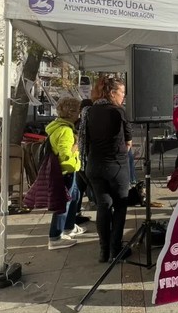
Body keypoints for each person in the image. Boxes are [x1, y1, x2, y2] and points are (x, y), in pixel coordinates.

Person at [79, 77, 133, 262]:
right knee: (119, 207)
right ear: (112, 93)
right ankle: (116, 249)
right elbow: (128, 143)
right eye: (122, 93)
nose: (123, 97)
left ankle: (104, 251)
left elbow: (84, 141)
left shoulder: (88, 111)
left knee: (103, 207)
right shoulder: (118, 111)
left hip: (94, 167)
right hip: (116, 168)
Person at [46, 97, 86, 250]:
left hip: (70, 170)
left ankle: (68, 227)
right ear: (70, 112)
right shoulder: (65, 130)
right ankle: (55, 236)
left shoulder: (61, 127)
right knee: (64, 203)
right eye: (77, 111)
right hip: (66, 171)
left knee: (74, 197)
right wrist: (77, 145)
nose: (79, 115)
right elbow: (65, 154)